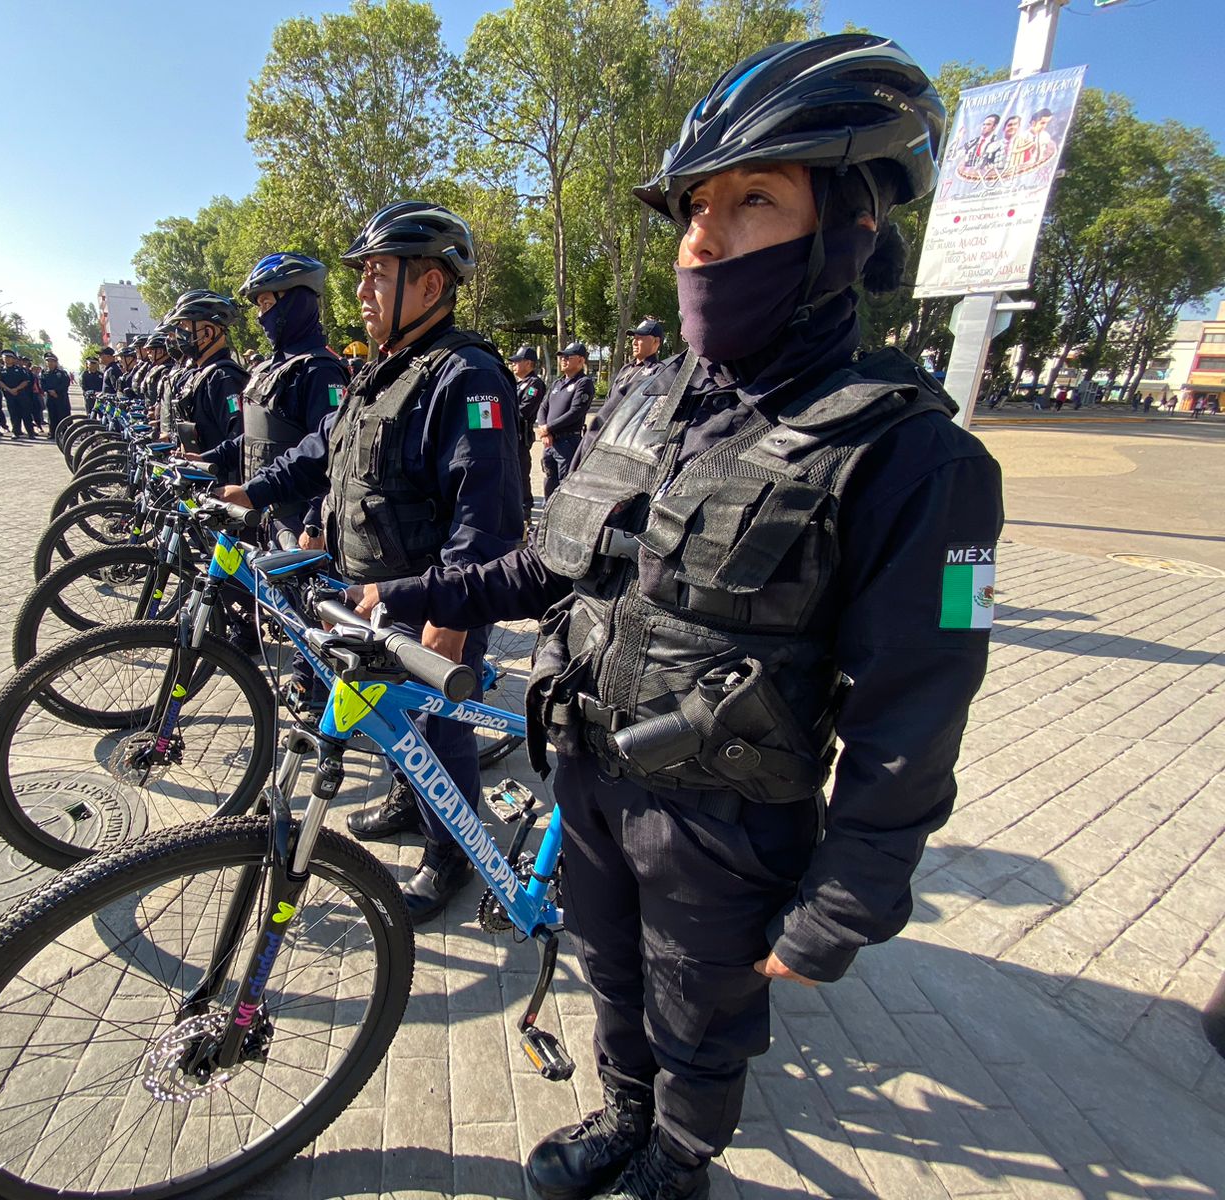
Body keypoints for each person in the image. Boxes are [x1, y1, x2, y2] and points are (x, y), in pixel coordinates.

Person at [348, 35, 1002, 1200]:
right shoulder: (648, 400)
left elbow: (920, 705)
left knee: (698, 1010)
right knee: (607, 970)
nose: (704, 237)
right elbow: (541, 568)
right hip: (588, 773)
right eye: (697, 208)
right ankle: (621, 1114)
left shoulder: (914, 455)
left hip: (725, 823)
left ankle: (680, 1158)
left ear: (850, 224)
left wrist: (848, 897)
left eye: (752, 200)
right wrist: (412, 593)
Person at [216, 201, 523, 922]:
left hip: (432, 601)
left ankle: (451, 853)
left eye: (378, 273)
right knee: (389, 724)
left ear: (431, 285)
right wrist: (252, 489)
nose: (360, 291)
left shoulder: (467, 377)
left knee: (442, 736)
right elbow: (321, 450)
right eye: (361, 276)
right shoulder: (380, 374)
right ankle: (409, 802)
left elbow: (488, 511)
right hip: (366, 595)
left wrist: (454, 613)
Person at [202, 253, 348, 543]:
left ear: (295, 304)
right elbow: (258, 438)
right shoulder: (271, 369)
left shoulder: (319, 370)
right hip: (265, 514)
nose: (261, 316)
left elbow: (335, 451)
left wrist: (315, 523)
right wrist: (208, 459)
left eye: (267, 303)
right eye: (259, 307)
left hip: (299, 525)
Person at [161, 291, 247, 474]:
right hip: (199, 479)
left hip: (219, 486)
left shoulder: (224, 378)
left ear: (207, 333)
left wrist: (206, 459)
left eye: (184, 326)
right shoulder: (198, 375)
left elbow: (239, 440)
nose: (179, 335)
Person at [536, 343, 595, 497]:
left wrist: (549, 428)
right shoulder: (557, 383)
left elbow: (575, 412)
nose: (563, 359)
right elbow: (543, 407)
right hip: (550, 442)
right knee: (549, 479)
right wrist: (544, 429)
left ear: (581, 360)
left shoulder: (583, 383)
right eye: (562, 357)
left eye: (568, 357)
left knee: (566, 483)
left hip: (568, 442)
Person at [604, 317, 669, 422]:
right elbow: (609, 399)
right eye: (634, 338)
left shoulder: (659, 371)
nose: (634, 342)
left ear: (656, 342)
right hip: (608, 430)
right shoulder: (626, 368)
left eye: (640, 338)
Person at [509, 345, 546, 524]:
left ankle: (525, 513)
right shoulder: (517, 384)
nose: (513, 364)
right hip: (511, 435)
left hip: (521, 436)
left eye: (517, 361)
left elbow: (525, 410)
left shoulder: (534, 384)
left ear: (529, 363)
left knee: (521, 474)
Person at [0, 349, 36, 437]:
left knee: (26, 414)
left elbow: (26, 381)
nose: (7, 359)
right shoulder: (1, 371)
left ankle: (30, 432)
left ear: (14, 359)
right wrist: (9, 389)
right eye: (5, 357)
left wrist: (16, 389)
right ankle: (16, 432)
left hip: (21, 394)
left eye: (9, 357)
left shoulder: (20, 370)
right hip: (9, 395)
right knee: (14, 415)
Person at [40, 352, 74, 435]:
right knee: (51, 415)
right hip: (50, 397)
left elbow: (65, 383)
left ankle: (64, 432)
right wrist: (50, 391)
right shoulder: (44, 373)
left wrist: (56, 391)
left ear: (56, 362)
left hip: (61, 397)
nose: (50, 363)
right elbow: (42, 384)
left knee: (62, 415)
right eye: (48, 361)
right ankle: (53, 432)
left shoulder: (62, 373)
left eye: (52, 361)